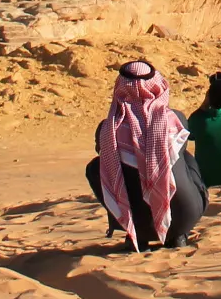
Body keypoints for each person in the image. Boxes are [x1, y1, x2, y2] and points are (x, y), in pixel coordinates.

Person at [84, 61, 210, 250]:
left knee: (98, 167)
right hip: (185, 215)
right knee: (187, 159)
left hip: (136, 221)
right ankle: (176, 235)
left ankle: (133, 231)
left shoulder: (107, 130)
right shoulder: (176, 120)